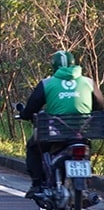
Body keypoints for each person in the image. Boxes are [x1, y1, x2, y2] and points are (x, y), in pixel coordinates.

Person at [19, 50, 104, 198]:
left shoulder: (47, 84)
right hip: (82, 133)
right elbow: (101, 106)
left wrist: (24, 115)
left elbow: (32, 108)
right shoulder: (88, 82)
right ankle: (85, 182)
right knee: (86, 149)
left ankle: (37, 184)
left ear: (54, 67)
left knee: (33, 148)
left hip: (56, 134)